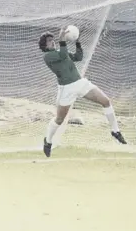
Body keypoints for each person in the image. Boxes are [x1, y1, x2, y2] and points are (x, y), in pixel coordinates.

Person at [38, 27, 127, 157]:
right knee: (59, 119)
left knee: (106, 101)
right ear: (44, 45)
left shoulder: (60, 51)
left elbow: (78, 57)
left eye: (53, 40)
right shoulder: (48, 56)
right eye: (49, 41)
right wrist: (62, 40)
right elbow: (62, 55)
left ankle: (115, 131)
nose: (53, 42)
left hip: (80, 83)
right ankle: (48, 141)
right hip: (66, 89)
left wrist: (77, 41)